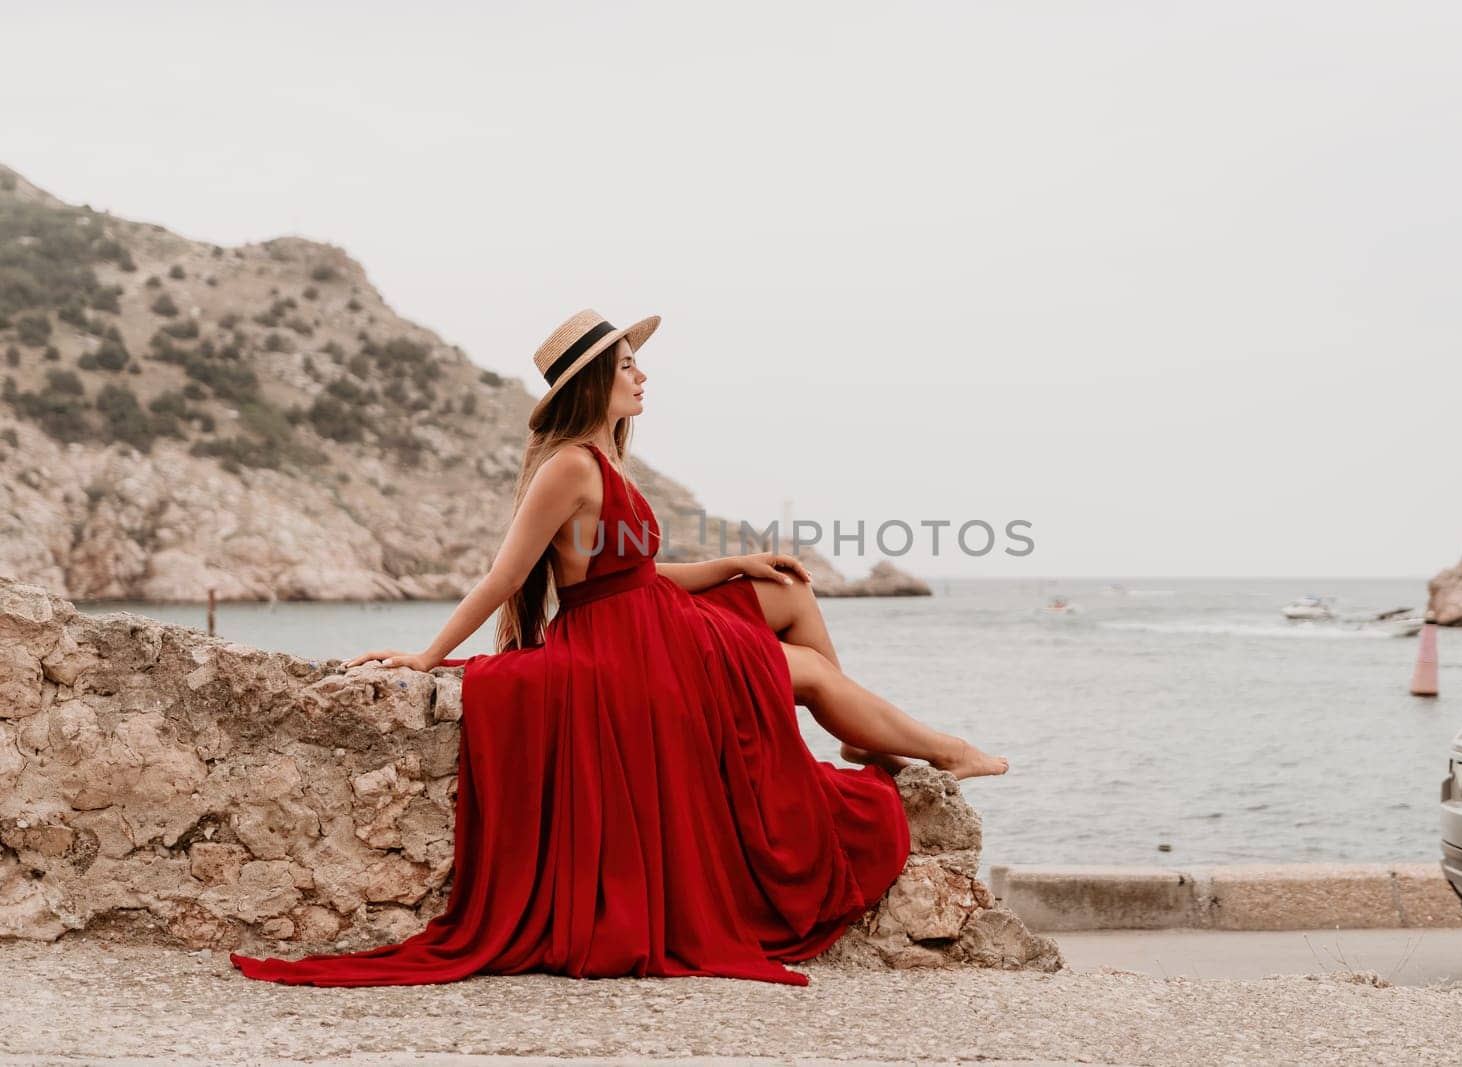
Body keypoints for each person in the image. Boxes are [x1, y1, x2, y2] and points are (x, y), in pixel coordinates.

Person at [228, 308, 1007, 989]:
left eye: (638, 362)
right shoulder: (568, 466)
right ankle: (944, 750)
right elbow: (508, 573)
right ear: (594, 381)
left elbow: (638, 566)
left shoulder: (607, 463)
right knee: (797, 669)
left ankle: (828, 746)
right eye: (628, 365)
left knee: (791, 589)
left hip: (655, 618)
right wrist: (427, 657)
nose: (643, 375)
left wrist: (735, 563)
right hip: (622, 647)